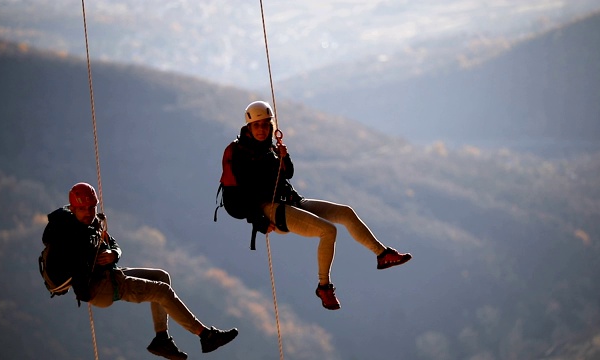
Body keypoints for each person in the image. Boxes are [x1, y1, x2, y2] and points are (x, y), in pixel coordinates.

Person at [223, 100, 412, 310]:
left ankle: (382, 254)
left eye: (266, 124)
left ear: (271, 126)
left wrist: (284, 157)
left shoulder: (269, 148)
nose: (262, 129)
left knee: (345, 213)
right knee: (328, 231)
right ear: (248, 127)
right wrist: (258, 221)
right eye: (257, 125)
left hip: (289, 200)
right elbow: (235, 198)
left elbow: (287, 174)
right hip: (268, 209)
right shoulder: (239, 152)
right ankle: (324, 286)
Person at [42, 182, 238, 360]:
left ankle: (162, 339)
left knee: (161, 277)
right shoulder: (69, 237)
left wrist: (113, 254)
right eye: (83, 209)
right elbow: (79, 276)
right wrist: (93, 263)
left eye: (92, 207)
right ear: (73, 209)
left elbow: (114, 244)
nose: (88, 212)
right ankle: (205, 335)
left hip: (109, 275)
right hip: (99, 288)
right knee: (162, 291)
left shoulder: (92, 224)